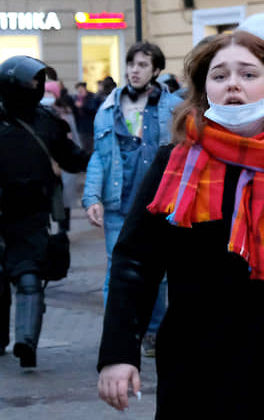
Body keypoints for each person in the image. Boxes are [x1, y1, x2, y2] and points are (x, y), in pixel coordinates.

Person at [96, 30, 264, 418]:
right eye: (219, 76)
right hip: (202, 371)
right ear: (205, 91)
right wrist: (119, 354)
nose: (233, 84)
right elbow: (135, 262)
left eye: (248, 74)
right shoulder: (174, 164)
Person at [82, 42, 181, 357]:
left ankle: (153, 332)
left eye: (142, 65)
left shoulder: (171, 109)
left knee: (160, 273)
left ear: (155, 71)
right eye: (131, 64)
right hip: (118, 203)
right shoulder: (108, 107)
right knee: (116, 271)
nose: (135, 70)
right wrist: (91, 197)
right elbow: (99, 157)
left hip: (159, 203)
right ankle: (119, 334)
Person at [0, 56, 89, 367]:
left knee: (28, 278)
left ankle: (26, 343)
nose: (35, 87)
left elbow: (71, 158)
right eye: (29, 82)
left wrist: (100, 159)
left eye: (38, 82)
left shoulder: (46, 121)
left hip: (32, 213)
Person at [42, 80, 83, 232]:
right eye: (45, 92)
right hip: (46, 162)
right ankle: (46, 229)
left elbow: (74, 136)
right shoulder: (38, 113)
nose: (47, 96)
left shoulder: (65, 112)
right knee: (47, 197)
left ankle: (63, 230)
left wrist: (78, 157)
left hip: (65, 159)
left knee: (65, 197)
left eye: (50, 93)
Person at [74, 82, 99, 152]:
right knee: (83, 146)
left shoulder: (92, 98)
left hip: (90, 126)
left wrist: (82, 106)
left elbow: (93, 109)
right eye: (78, 90)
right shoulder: (76, 98)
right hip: (81, 127)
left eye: (81, 89)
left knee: (91, 147)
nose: (80, 91)